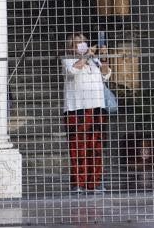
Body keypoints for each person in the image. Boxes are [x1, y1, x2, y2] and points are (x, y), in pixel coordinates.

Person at [63, 32, 110, 194]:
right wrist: (87, 56)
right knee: (78, 147)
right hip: (77, 109)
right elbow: (72, 71)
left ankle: (95, 182)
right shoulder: (68, 60)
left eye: (83, 41)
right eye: (77, 42)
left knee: (96, 146)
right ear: (71, 47)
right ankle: (78, 183)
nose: (81, 44)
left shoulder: (94, 61)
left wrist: (103, 57)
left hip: (97, 107)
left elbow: (106, 74)